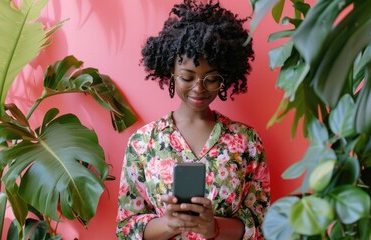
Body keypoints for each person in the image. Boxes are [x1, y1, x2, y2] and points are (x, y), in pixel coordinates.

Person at [115, 0, 270, 239]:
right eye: (188, 77)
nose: (199, 88)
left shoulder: (246, 141)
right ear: (171, 74)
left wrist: (214, 227)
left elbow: (262, 224)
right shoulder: (143, 142)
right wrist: (168, 224)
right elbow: (126, 228)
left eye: (211, 78)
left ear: (224, 79)